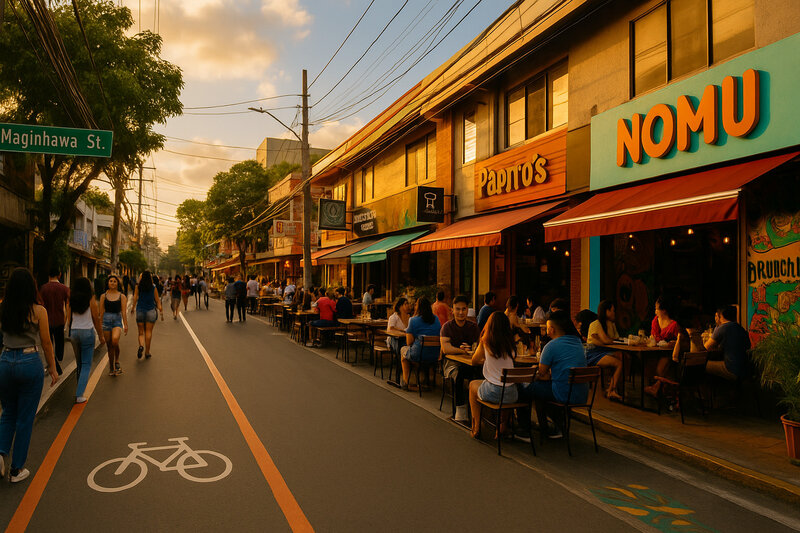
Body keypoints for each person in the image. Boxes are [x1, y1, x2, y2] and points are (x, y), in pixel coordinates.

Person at [0, 268, 59, 483]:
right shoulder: (38, 311)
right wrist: (52, 369)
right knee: (24, 418)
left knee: (8, 413)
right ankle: (16, 470)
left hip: (5, 361)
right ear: (31, 287)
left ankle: (0, 453)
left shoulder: (3, 308)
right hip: (29, 362)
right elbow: (46, 343)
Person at [518, 310, 588, 438]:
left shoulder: (551, 346)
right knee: (539, 390)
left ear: (551, 329)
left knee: (524, 388)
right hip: (582, 394)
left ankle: (524, 430)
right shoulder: (577, 342)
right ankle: (549, 427)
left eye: (547, 327)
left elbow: (541, 373)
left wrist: (539, 373)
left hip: (562, 393)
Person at [468, 311, 517, 438]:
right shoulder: (511, 344)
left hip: (493, 392)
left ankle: (476, 426)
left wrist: (485, 359)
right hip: (512, 394)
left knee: (473, 385)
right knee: (505, 392)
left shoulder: (486, 341)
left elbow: (474, 361)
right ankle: (502, 427)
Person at [440, 295, 480, 422]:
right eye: (458, 309)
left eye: (463, 309)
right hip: (451, 364)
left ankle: (478, 411)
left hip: (471, 363)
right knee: (459, 374)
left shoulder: (473, 327)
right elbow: (446, 349)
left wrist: (472, 349)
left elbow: (480, 347)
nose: (461, 312)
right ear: (452, 310)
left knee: (479, 373)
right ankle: (460, 409)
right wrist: (463, 350)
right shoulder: (447, 327)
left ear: (467, 310)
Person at [68, 277, 103, 399]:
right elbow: (95, 317)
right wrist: (101, 335)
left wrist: (70, 331)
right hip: (87, 332)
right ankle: (79, 395)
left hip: (74, 332)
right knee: (86, 364)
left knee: (79, 364)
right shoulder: (90, 299)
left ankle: (79, 386)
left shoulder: (71, 299)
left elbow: (68, 318)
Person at [644, 297, 685, 397]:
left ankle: (657, 388)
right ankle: (656, 387)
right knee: (647, 364)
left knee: (660, 368)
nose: (655, 311)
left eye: (657, 309)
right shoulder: (655, 321)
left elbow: (681, 341)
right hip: (655, 351)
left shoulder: (674, 325)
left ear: (664, 310)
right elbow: (653, 336)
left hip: (669, 354)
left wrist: (674, 342)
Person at [585, 300, 624, 401]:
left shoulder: (611, 324)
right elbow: (607, 340)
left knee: (624, 357)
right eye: (613, 311)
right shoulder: (596, 323)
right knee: (619, 363)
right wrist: (607, 341)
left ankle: (613, 388)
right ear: (606, 311)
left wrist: (607, 341)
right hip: (593, 353)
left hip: (605, 350)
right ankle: (612, 390)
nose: (614, 313)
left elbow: (615, 339)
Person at [400, 297, 441, 390]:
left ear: (418, 307)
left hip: (419, 354)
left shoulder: (413, 320)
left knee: (403, 351)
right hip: (435, 355)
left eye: (415, 305)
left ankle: (406, 381)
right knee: (421, 351)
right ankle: (426, 380)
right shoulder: (436, 319)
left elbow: (409, 342)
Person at [704, 305, 751, 381]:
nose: (715, 318)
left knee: (702, 365)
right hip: (745, 370)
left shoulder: (723, 327)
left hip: (732, 370)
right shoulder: (740, 328)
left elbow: (706, 347)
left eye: (716, 315)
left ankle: (708, 392)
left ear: (721, 316)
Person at [38, 266, 70, 376]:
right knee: (59, 343)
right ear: (59, 274)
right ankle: (58, 360)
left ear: (49, 275)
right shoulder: (64, 288)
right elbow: (68, 304)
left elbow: (40, 303)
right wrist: (67, 319)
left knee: (49, 343)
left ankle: (53, 363)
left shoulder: (43, 288)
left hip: (46, 321)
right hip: (60, 320)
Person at [129, 271, 164, 360]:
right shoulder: (153, 287)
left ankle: (141, 346)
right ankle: (147, 352)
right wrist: (160, 310)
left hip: (140, 310)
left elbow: (135, 298)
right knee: (148, 332)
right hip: (151, 311)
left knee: (141, 332)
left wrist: (133, 308)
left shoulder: (138, 287)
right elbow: (157, 300)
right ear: (150, 278)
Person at [99, 275, 128, 376]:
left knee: (115, 341)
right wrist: (99, 327)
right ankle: (111, 367)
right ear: (108, 283)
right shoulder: (103, 296)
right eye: (111, 281)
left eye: (115, 281)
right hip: (106, 321)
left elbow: (124, 312)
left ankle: (117, 360)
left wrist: (126, 325)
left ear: (117, 284)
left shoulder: (122, 296)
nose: (112, 283)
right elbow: (101, 312)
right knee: (109, 345)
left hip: (117, 321)